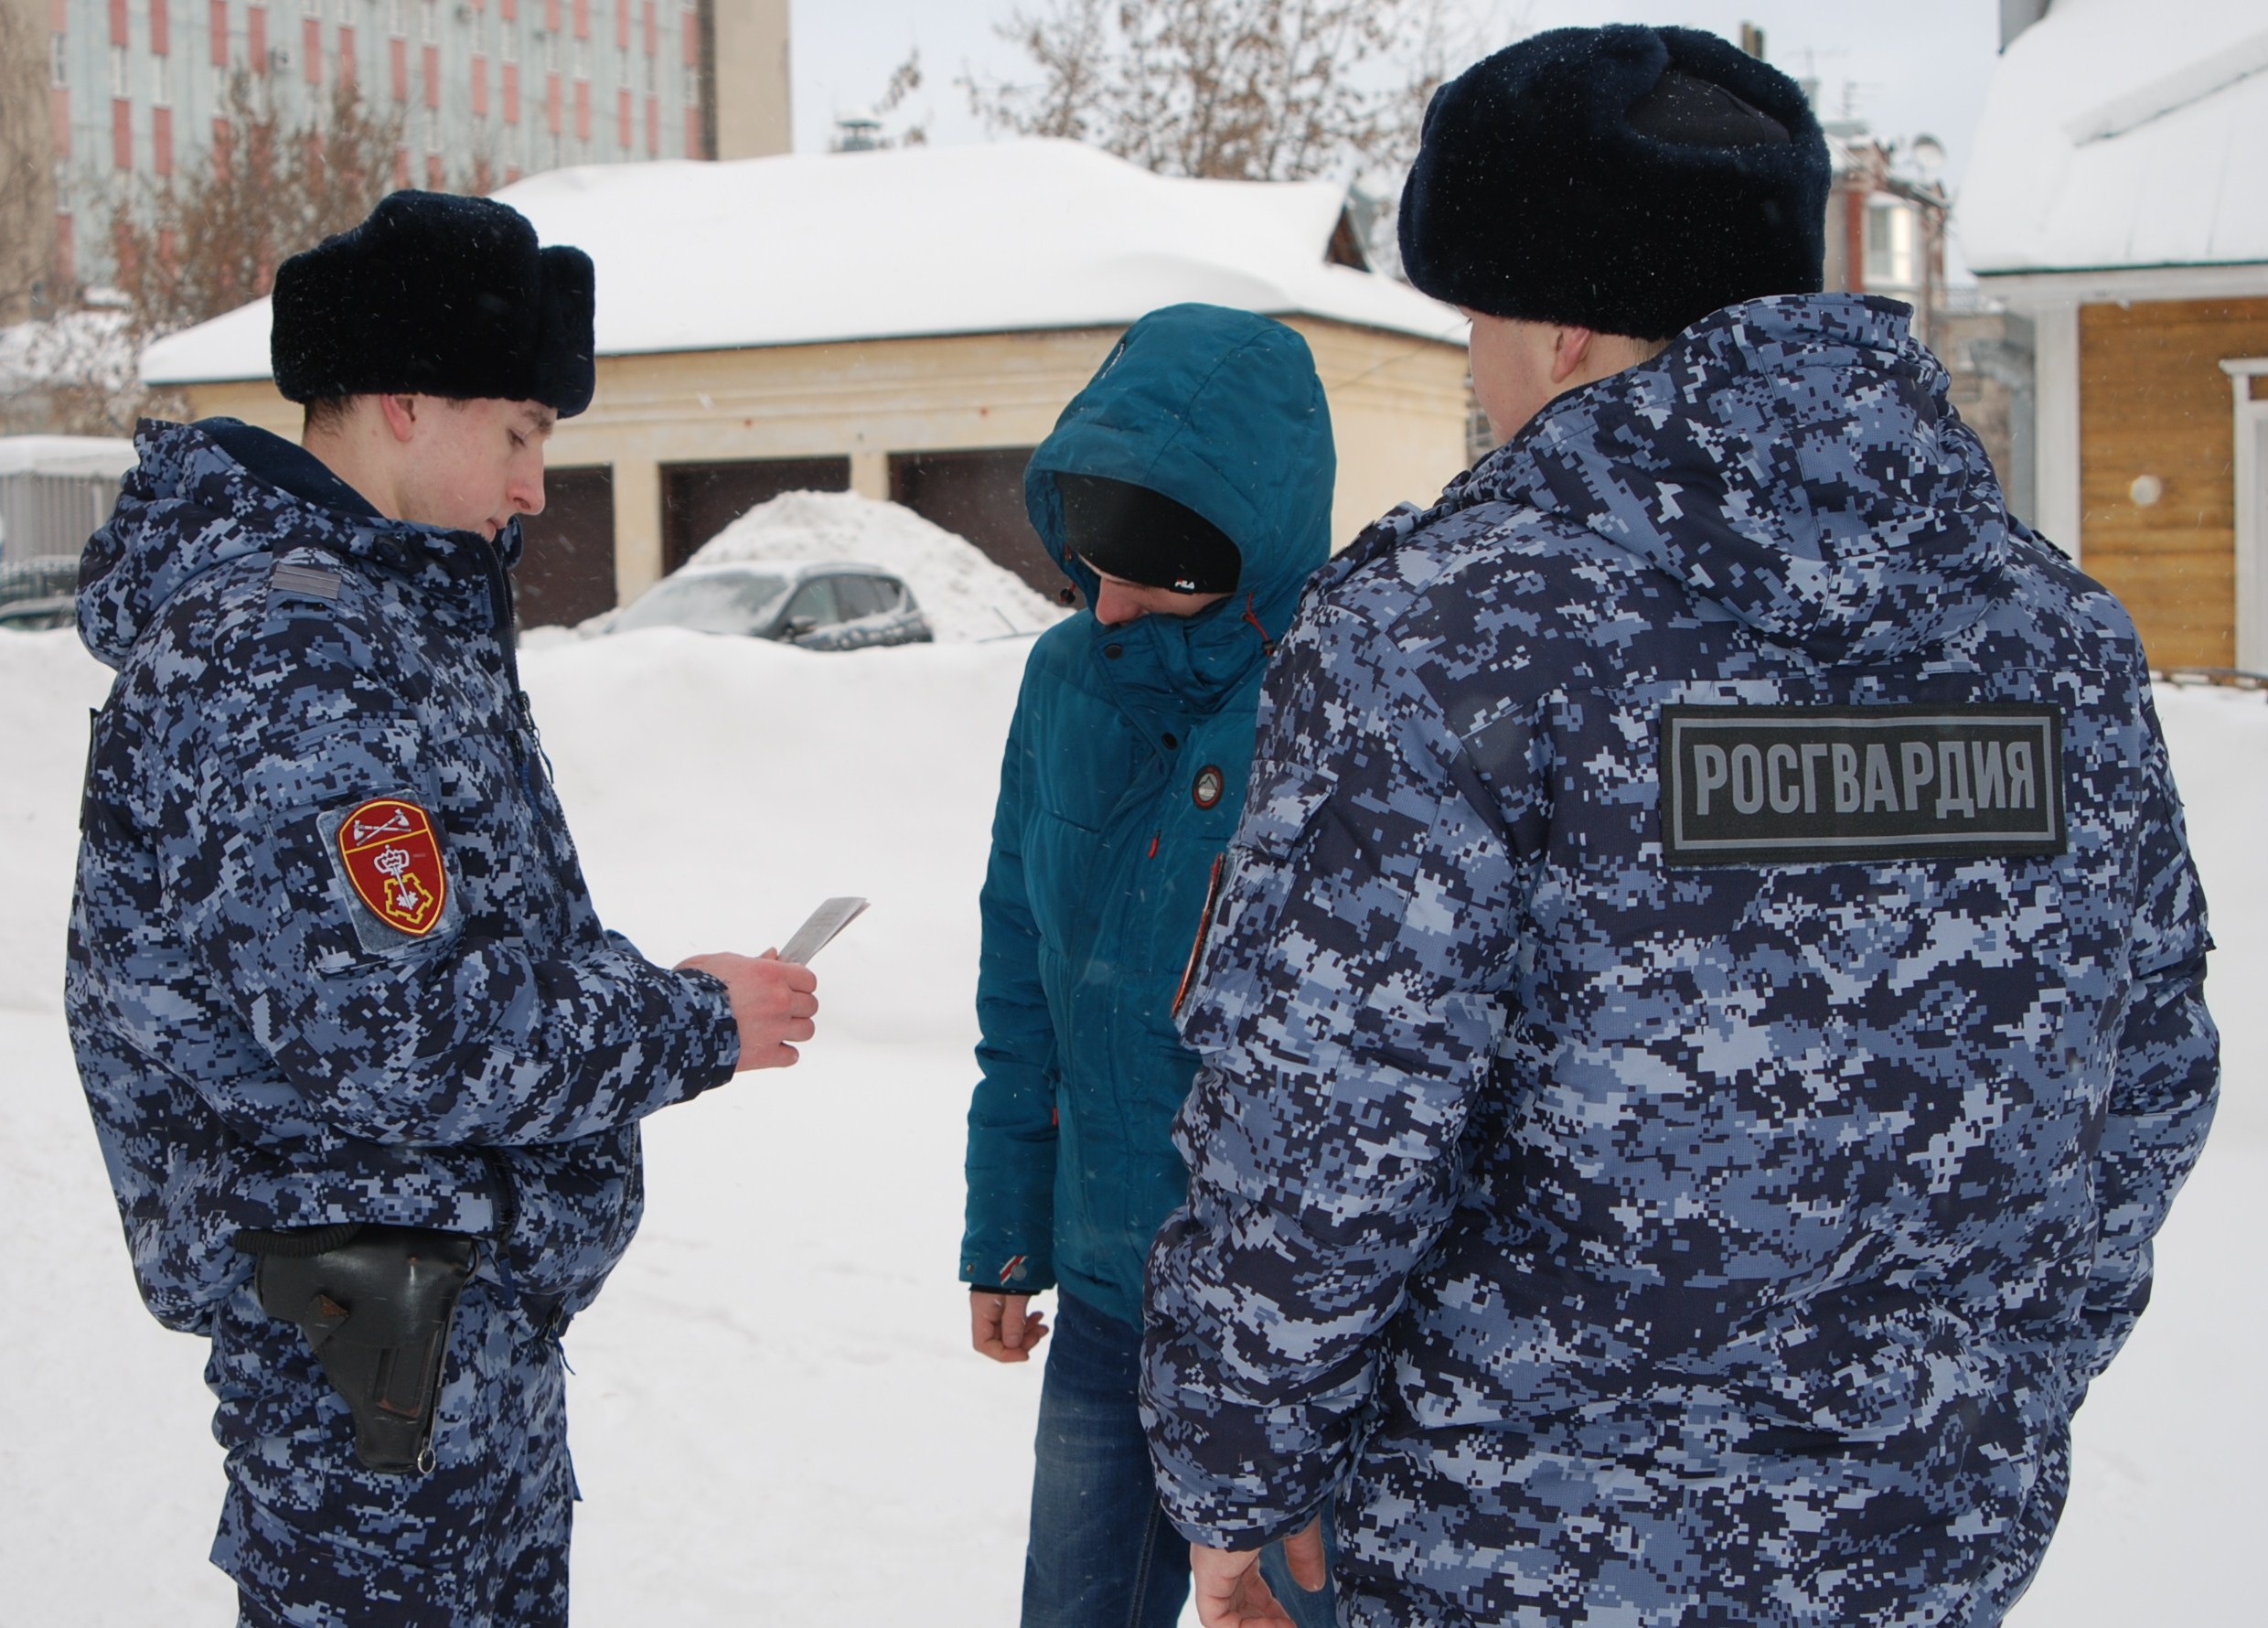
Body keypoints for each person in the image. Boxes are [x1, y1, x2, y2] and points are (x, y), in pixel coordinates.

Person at [1140, 26, 2219, 1628]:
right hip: (1919, 1557)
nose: (1481, 374)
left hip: (1512, 1562)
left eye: (1477, 326)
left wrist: (1235, 1486)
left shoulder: (1446, 635)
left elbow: (1328, 1130)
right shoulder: (2053, 638)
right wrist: (1966, 1415)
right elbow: (2147, 1085)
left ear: (1562, 330)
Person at [67, 190, 818, 1627]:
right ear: (404, 402)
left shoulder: (382, 618)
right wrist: (689, 1023)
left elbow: (467, 950)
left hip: (441, 1347)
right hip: (377, 1379)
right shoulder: (290, 650)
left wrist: (659, 1003)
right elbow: (402, 1040)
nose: (536, 486)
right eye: (520, 434)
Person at [960, 303, 1338, 1628]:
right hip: (1107, 1303)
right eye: (1088, 558)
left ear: (1242, 551)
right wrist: (1009, 1228)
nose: (1105, 603)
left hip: (1286, 1342)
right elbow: (1024, 980)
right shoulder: (1066, 681)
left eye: (1150, 572)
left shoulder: (1337, 704)